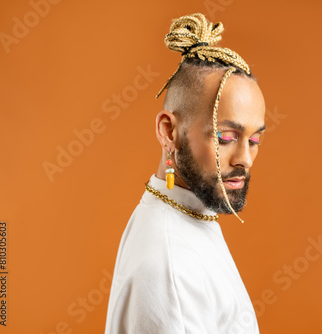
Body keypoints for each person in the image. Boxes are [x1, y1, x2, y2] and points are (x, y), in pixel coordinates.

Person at [104, 13, 266, 334]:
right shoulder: (171, 269)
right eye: (226, 137)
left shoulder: (185, 211)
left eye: (255, 139)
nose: (245, 158)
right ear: (169, 132)